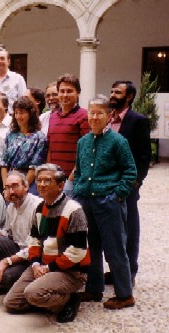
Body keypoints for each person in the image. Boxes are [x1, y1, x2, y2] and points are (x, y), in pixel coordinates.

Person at [4, 163, 90, 323]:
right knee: (11, 303)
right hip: (43, 266)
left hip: (70, 272)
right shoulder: (40, 209)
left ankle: (69, 300)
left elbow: (78, 251)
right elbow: (34, 240)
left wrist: (49, 268)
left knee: (32, 294)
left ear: (60, 185)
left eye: (47, 181)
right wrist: (36, 264)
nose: (42, 185)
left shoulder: (73, 210)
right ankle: (47, 299)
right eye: (39, 180)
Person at [74, 95, 137, 310]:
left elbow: (130, 172)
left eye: (99, 112)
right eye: (91, 112)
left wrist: (117, 195)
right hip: (86, 202)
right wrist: (78, 193)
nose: (94, 116)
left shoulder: (119, 142)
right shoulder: (83, 142)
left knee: (115, 249)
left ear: (109, 116)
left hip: (109, 203)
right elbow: (79, 171)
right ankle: (94, 288)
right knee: (91, 247)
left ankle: (124, 294)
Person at [108, 80, 152, 285]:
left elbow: (144, 155)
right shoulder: (107, 119)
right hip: (106, 183)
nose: (113, 95)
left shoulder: (138, 120)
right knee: (110, 229)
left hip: (127, 185)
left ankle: (129, 272)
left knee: (129, 228)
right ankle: (114, 270)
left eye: (118, 92)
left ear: (129, 97)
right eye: (112, 91)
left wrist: (135, 182)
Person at [0, 172, 42, 297]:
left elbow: (38, 246)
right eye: (7, 188)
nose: (11, 191)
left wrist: (6, 262)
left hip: (34, 257)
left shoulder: (37, 207)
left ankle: (5, 281)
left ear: (26, 187)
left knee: (4, 278)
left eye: (15, 186)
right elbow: (7, 233)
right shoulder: (11, 207)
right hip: (17, 250)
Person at [46, 74, 90, 196]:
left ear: (78, 93)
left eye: (69, 91)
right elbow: (50, 147)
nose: (65, 95)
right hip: (55, 177)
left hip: (73, 180)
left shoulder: (84, 116)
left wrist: (71, 179)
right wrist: (50, 172)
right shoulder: (53, 116)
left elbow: (86, 151)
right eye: (62, 91)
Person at [1, 96, 47, 195]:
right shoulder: (10, 135)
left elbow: (34, 166)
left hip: (30, 181)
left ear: (30, 114)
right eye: (16, 113)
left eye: (21, 113)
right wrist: (7, 186)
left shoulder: (39, 137)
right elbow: (4, 163)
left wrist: (23, 186)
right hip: (11, 177)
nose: (18, 116)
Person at [0, 48, 27, 115]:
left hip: (12, 120)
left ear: (8, 61)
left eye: (2, 58)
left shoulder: (18, 79)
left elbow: (23, 103)